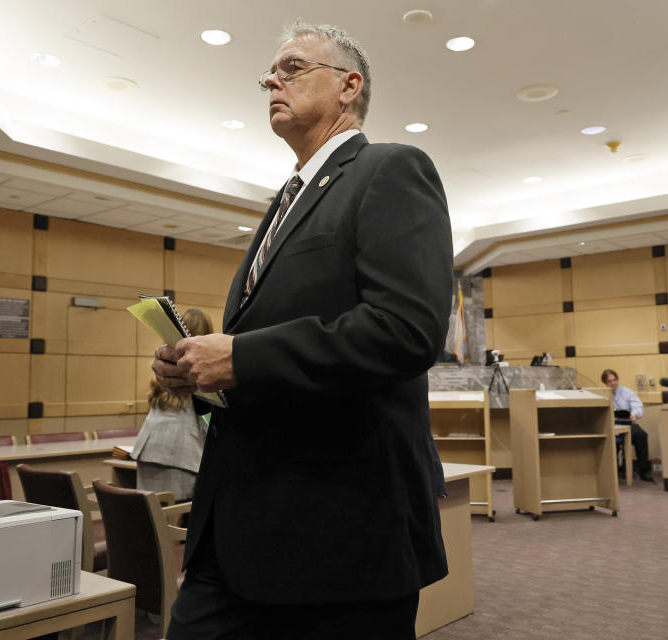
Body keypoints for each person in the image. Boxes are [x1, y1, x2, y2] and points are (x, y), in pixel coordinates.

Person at [152, 21, 453, 639]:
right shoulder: (284, 199)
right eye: (269, 73)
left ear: (349, 86)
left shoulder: (390, 169)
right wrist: (198, 372)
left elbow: (407, 329)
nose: (272, 80)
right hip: (236, 524)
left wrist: (242, 357)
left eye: (291, 67)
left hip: (338, 529)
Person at [132, 309, 213, 501]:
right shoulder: (201, 370)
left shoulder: (164, 366)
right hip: (181, 456)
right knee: (175, 524)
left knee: (151, 518)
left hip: (149, 451)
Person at [602, 369, 654, 483]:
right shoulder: (602, 394)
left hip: (627, 423)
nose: (613, 383)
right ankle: (613, 471)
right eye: (609, 381)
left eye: (614, 380)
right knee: (609, 441)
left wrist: (634, 413)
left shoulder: (627, 392)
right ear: (605, 383)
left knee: (641, 435)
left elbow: (637, 406)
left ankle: (643, 470)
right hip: (610, 425)